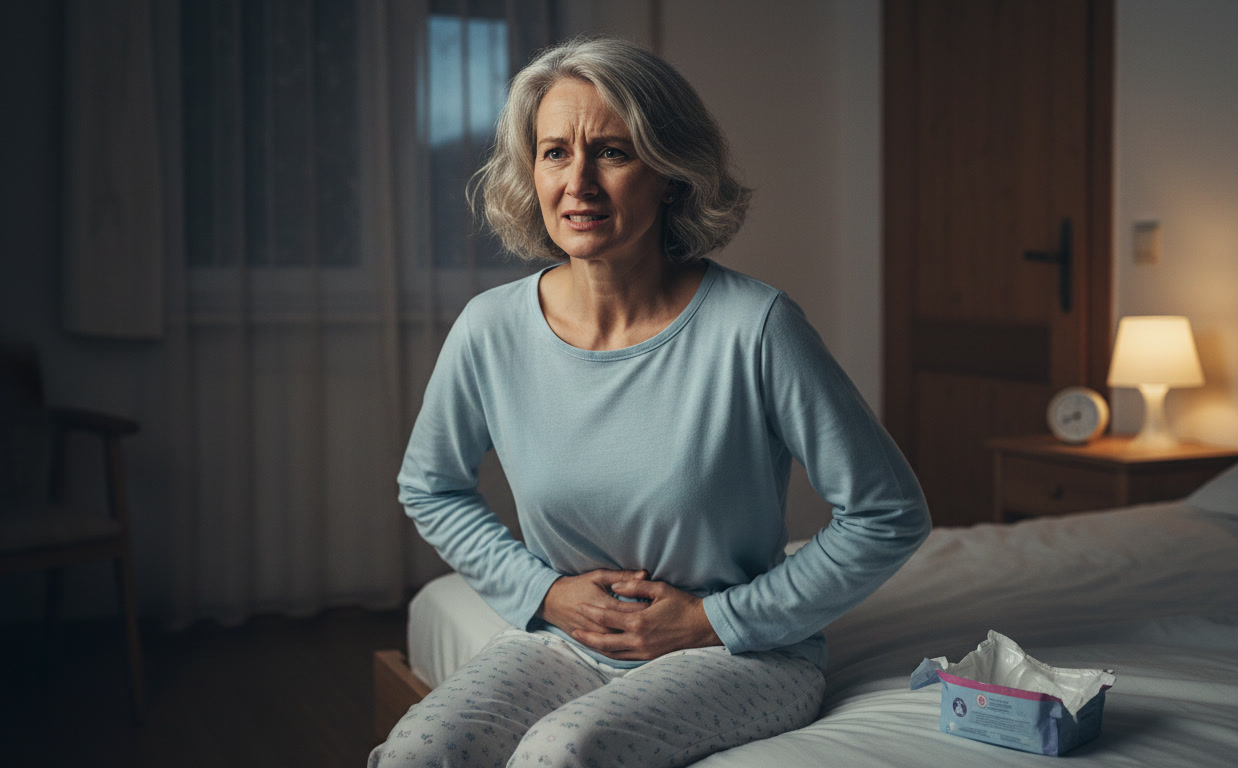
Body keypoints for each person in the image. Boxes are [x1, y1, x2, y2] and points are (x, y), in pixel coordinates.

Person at [370, 36, 930, 768]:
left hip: (741, 654)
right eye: (554, 153)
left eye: (611, 152)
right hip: (565, 642)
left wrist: (712, 617)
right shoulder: (491, 328)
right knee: (417, 751)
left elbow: (889, 515)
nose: (579, 183)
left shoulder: (756, 326)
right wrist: (547, 594)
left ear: (670, 172)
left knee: (561, 752)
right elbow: (430, 485)